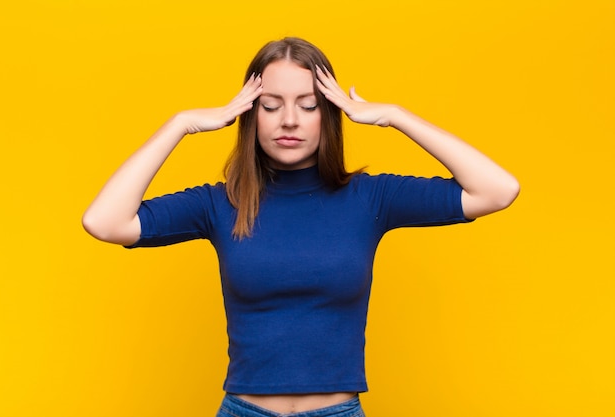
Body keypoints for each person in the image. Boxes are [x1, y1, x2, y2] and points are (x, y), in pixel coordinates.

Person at [82, 37, 519, 417]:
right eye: (271, 106)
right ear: (251, 116)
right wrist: (181, 124)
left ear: (327, 115)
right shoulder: (220, 203)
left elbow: (497, 190)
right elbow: (104, 221)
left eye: (307, 105)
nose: (288, 120)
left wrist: (395, 116)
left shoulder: (370, 198)